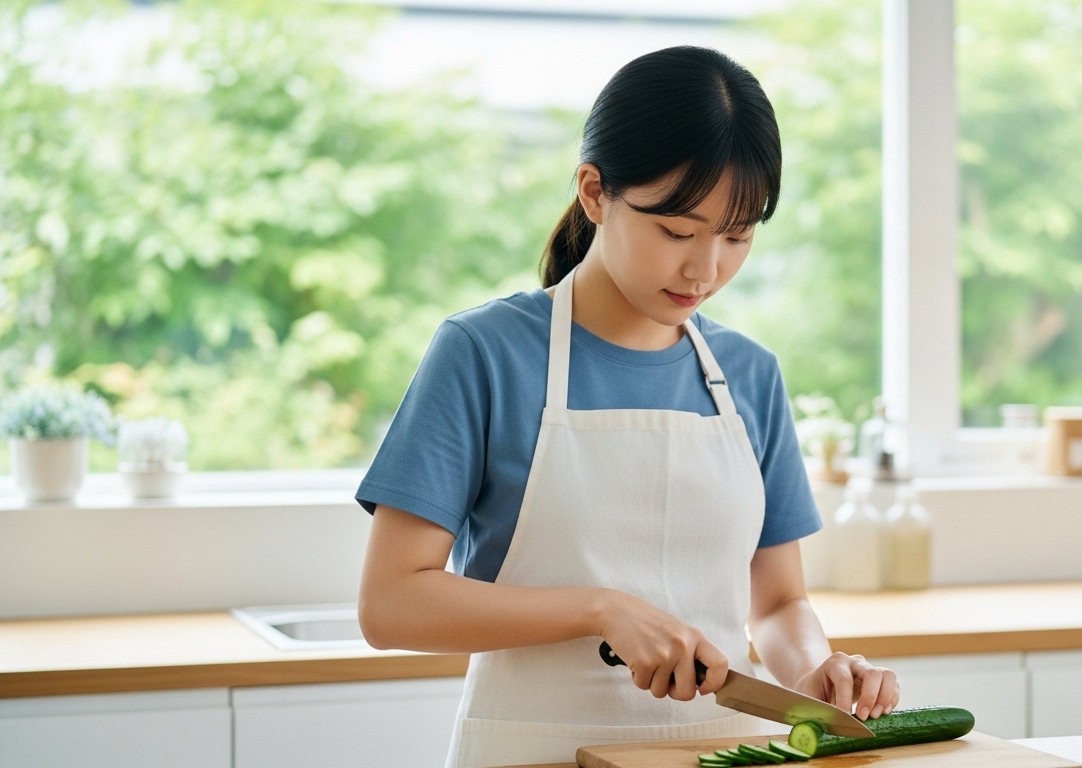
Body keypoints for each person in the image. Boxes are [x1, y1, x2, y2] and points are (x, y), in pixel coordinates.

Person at [355, 45, 900, 768]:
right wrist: (600, 609)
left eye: (736, 236)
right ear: (594, 193)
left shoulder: (749, 375)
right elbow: (391, 604)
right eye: (677, 231)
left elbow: (776, 604)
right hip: (534, 755)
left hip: (721, 751)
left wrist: (815, 671)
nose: (705, 269)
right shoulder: (485, 354)